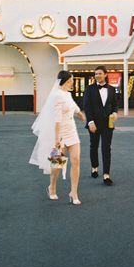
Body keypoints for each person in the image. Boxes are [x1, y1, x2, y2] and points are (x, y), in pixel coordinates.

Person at [29, 70, 85, 204]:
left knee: (76, 160)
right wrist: (57, 140)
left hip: (72, 131)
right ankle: (52, 186)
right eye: (71, 79)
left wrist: (80, 114)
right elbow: (57, 120)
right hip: (60, 133)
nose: (73, 81)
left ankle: (74, 192)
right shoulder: (57, 96)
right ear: (67, 80)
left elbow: (73, 107)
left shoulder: (68, 94)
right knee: (58, 164)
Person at [83, 65, 118, 186]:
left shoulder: (112, 89)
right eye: (96, 74)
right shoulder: (89, 89)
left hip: (108, 124)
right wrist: (90, 122)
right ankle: (94, 167)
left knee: (106, 148)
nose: (97, 75)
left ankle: (106, 175)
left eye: (99, 73)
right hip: (94, 123)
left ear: (105, 74)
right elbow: (87, 106)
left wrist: (115, 113)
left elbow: (114, 105)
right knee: (94, 146)